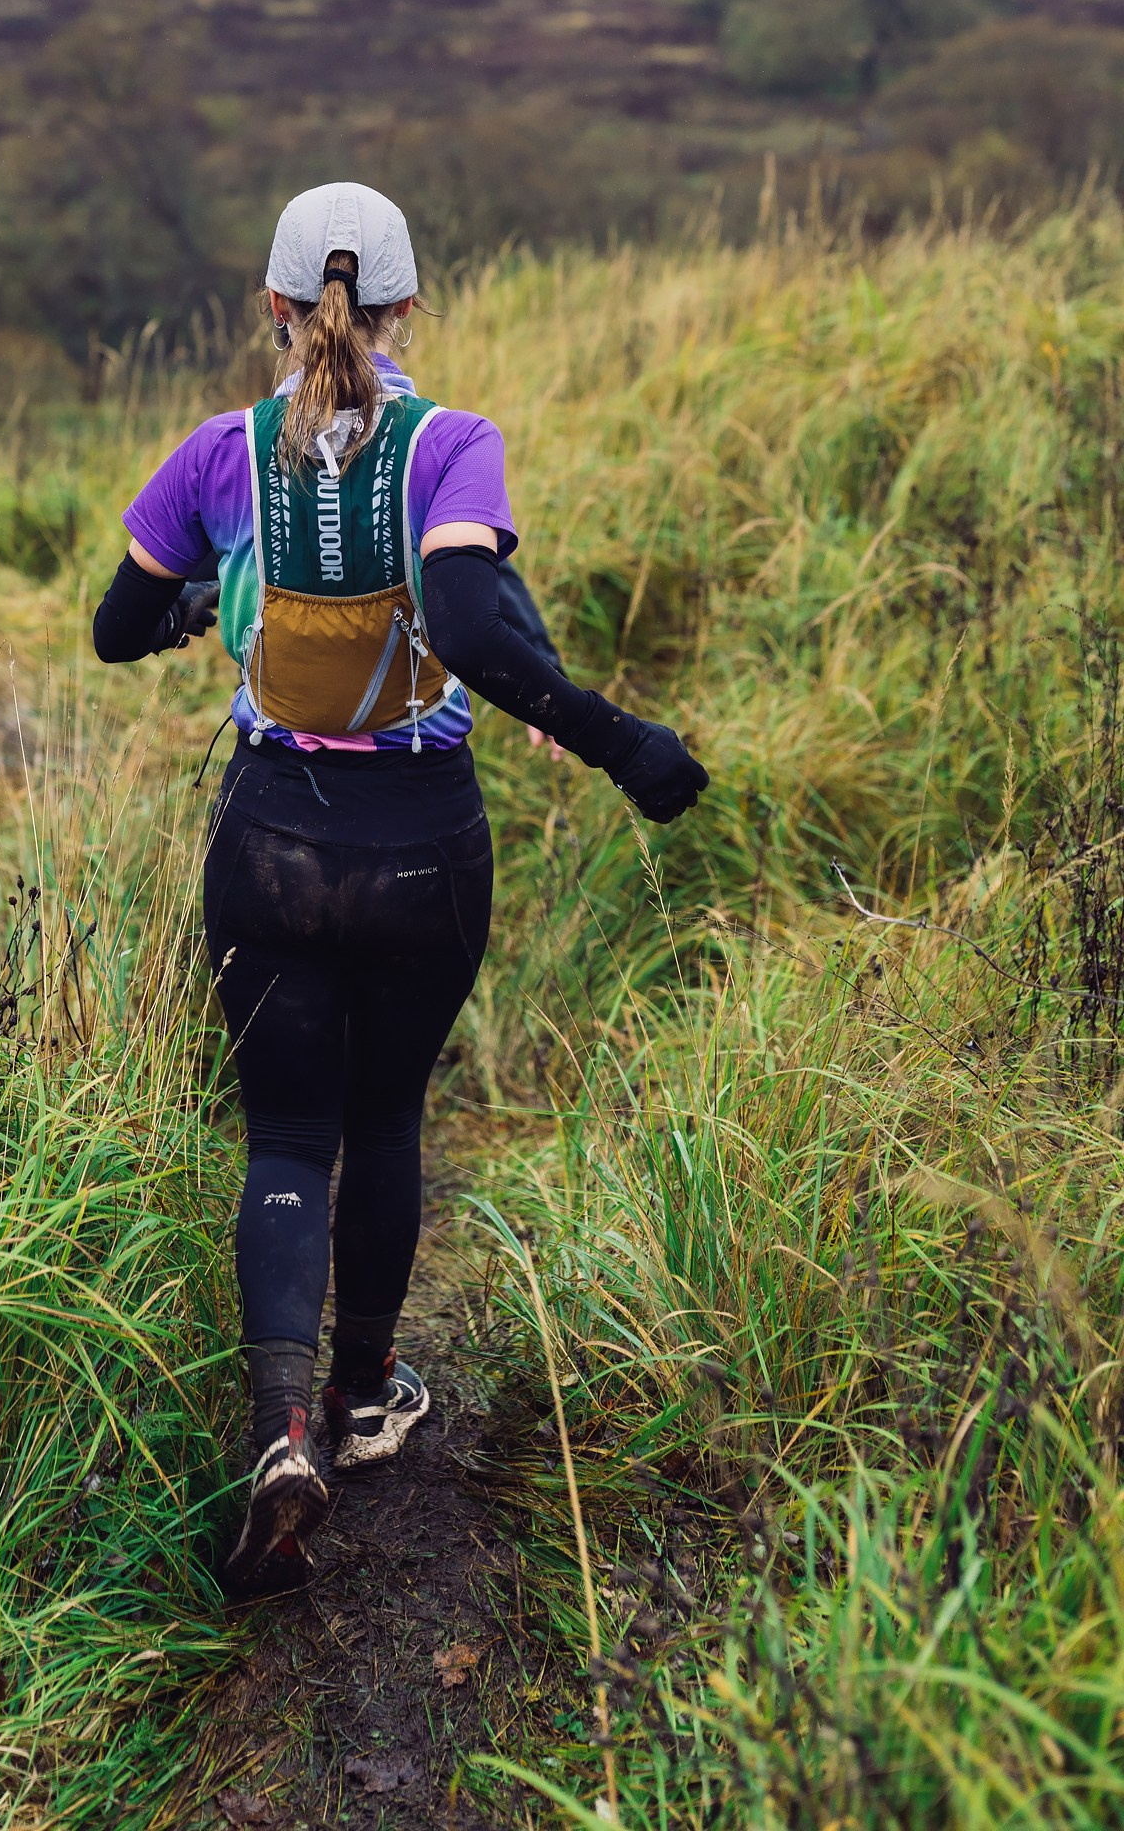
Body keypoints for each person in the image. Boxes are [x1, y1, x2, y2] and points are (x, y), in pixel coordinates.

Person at [89, 181, 707, 1595]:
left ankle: (283, 1432)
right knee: (385, 1117)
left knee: (288, 1134)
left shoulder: (219, 452)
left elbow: (118, 630)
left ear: (273, 307)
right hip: (423, 841)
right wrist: (626, 745)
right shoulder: (453, 446)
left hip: (268, 837)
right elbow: (480, 623)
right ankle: (368, 1402)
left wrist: (199, 598)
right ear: (410, 306)